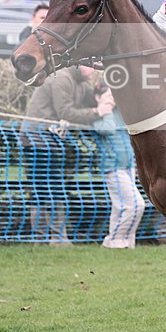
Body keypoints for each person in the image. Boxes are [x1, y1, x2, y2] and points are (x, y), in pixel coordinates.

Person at [22, 65, 106, 244]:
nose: (95, 70)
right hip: (38, 140)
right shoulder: (62, 78)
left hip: (51, 142)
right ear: (79, 65)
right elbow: (66, 112)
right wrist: (96, 112)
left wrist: (106, 92)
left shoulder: (80, 84)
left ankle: (49, 238)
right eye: (91, 66)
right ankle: (52, 238)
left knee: (51, 188)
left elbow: (92, 98)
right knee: (47, 189)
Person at [91, 84, 146, 249]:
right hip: (113, 167)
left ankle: (127, 242)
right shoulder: (99, 116)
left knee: (120, 207)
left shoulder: (120, 114)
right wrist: (105, 109)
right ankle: (113, 240)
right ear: (98, 98)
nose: (112, 100)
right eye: (108, 96)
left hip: (129, 166)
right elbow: (107, 130)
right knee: (136, 204)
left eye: (113, 96)